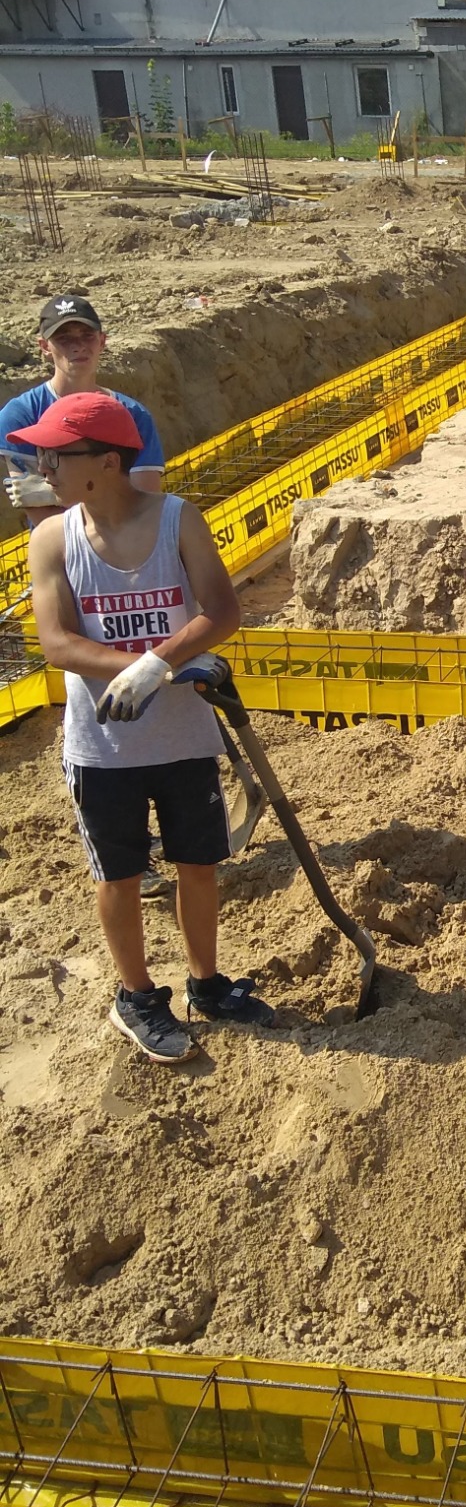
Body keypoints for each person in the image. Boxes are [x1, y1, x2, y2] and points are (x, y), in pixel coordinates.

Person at [12, 391, 273, 1064]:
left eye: (55, 453)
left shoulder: (177, 521)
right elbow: (58, 643)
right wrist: (143, 665)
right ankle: (137, 995)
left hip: (183, 736)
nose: (42, 462)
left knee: (199, 865)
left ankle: (207, 984)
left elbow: (221, 611)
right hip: (103, 747)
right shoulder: (51, 539)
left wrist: (159, 666)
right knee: (120, 875)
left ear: (103, 462)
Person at [2, 295, 166, 525]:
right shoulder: (21, 415)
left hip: (128, 551)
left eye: (87, 336)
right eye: (63, 338)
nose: (78, 346)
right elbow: (43, 516)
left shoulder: (133, 414)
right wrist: (104, 492)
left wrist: (56, 495)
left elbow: (144, 505)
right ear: (44, 347)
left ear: (102, 341)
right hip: (62, 554)